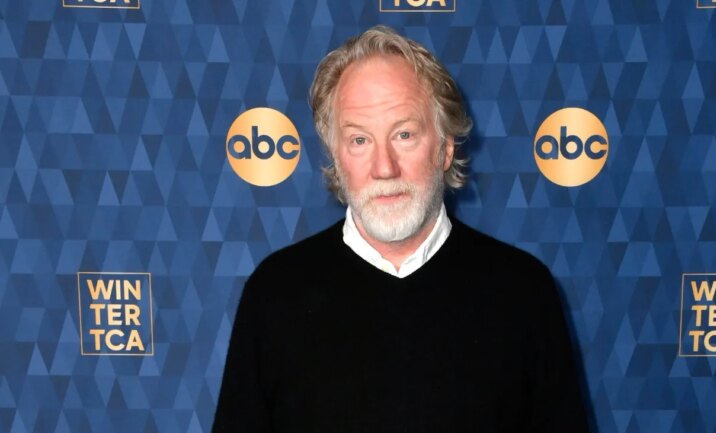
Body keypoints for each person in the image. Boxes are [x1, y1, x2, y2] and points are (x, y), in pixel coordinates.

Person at [213, 25, 590, 432]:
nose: (384, 167)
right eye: (360, 140)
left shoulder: (523, 292)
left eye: (404, 135)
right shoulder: (275, 293)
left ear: (445, 148)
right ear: (336, 155)